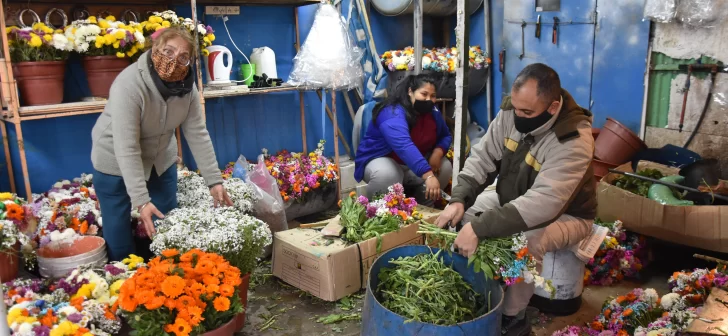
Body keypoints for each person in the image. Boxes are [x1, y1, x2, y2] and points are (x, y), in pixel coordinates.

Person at [435, 63, 596, 336]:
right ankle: (472, 290)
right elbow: (483, 157)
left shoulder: (572, 140)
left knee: (528, 241)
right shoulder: (512, 112)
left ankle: (513, 316)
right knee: (466, 214)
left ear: (553, 107)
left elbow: (543, 205)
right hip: (513, 200)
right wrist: (459, 199)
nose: (518, 117)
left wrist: (481, 228)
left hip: (567, 216)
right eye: (517, 108)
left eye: (527, 112)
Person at [91, 27, 232, 261]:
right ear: (155, 49)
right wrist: (141, 200)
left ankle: (163, 276)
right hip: (115, 161)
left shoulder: (186, 87)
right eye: (168, 51)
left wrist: (214, 180)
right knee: (118, 229)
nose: (174, 60)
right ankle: (125, 279)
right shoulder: (129, 84)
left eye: (183, 56)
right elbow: (126, 146)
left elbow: (197, 133)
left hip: (160, 160)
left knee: (165, 224)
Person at [354, 74, 453, 206]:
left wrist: (437, 153)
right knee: (387, 174)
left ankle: (425, 208)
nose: (429, 100)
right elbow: (404, 146)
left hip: (413, 165)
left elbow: (445, 135)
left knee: (444, 166)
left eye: (433, 96)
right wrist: (428, 175)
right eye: (424, 94)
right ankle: (382, 211)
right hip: (384, 161)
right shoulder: (391, 112)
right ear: (410, 91)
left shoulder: (433, 112)